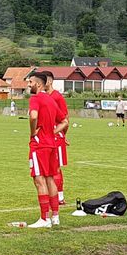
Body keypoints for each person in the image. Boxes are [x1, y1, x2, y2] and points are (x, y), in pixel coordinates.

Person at [26, 73, 60, 228]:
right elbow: (65, 121)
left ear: (38, 84)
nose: (28, 85)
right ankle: (55, 216)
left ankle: (44, 219)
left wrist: (33, 132)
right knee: (50, 179)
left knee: (39, 180)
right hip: (52, 144)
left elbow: (33, 116)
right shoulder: (51, 100)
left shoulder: (35, 99)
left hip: (39, 145)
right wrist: (52, 132)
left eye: (30, 82)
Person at [41, 71, 70, 205]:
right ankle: (53, 195)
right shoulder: (45, 96)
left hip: (56, 137)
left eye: (44, 80)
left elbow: (65, 118)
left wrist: (63, 135)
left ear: (50, 81)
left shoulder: (57, 97)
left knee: (56, 168)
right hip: (47, 137)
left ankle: (60, 197)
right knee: (48, 168)